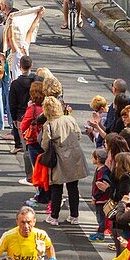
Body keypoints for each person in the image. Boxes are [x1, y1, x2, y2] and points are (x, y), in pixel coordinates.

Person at [41, 95, 89, 225]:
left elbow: (45, 145)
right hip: (74, 156)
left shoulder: (49, 125)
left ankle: (54, 217)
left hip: (59, 158)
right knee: (73, 187)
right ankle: (74, 216)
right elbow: (78, 135)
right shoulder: (69, 119)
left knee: (57, 188)